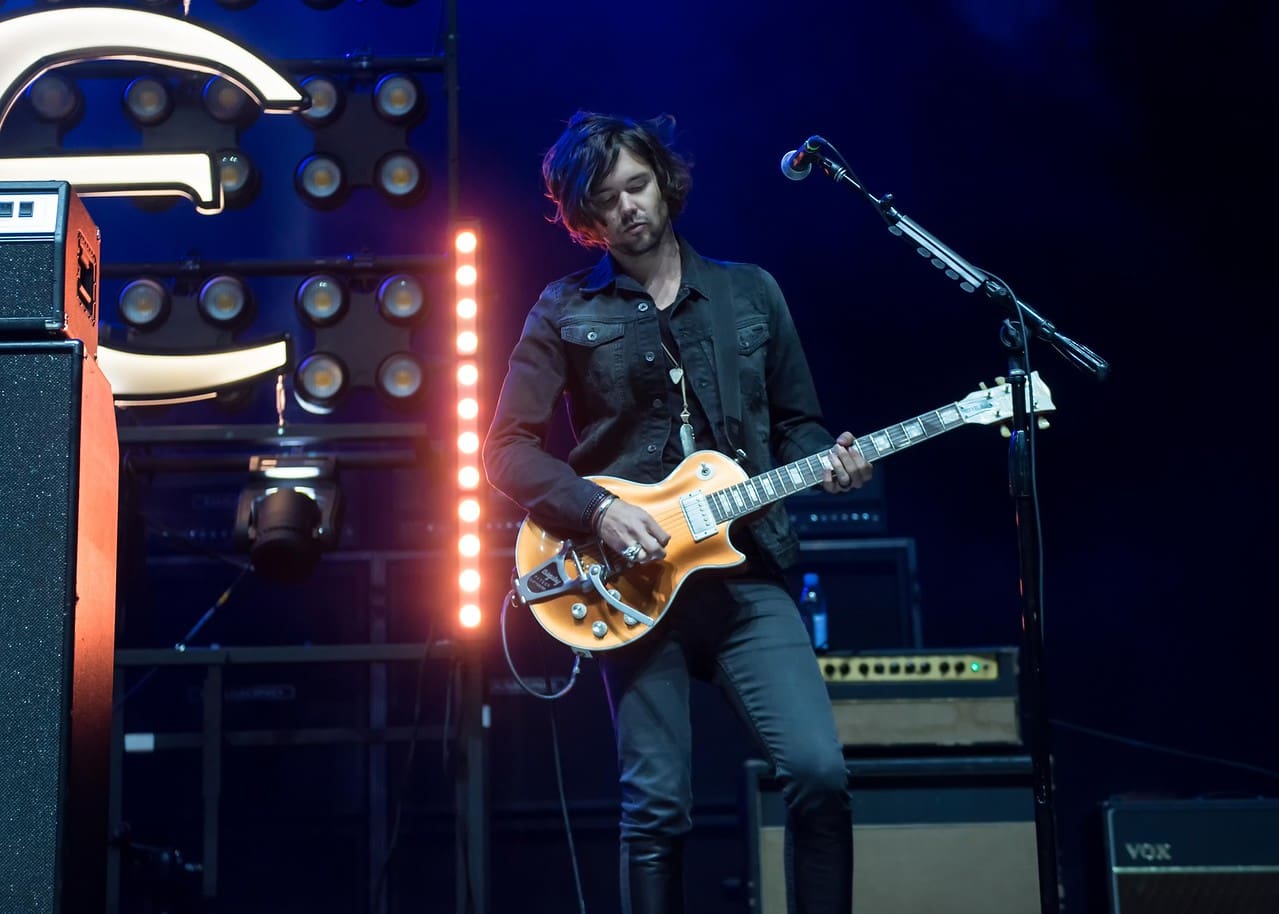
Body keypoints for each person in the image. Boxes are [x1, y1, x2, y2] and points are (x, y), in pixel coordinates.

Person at [483, 110, 872, 914]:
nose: (627, 206)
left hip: (747, 568)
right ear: (584, 217)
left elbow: (798, 424)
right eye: (605, 199)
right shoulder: (562, 309)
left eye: (637, 185)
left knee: (819, 773)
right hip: (632, 582)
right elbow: (506, 449)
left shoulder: (747, 291)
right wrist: (595, 511)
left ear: (663, 182)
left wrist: (831, 462)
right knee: (656, 807)